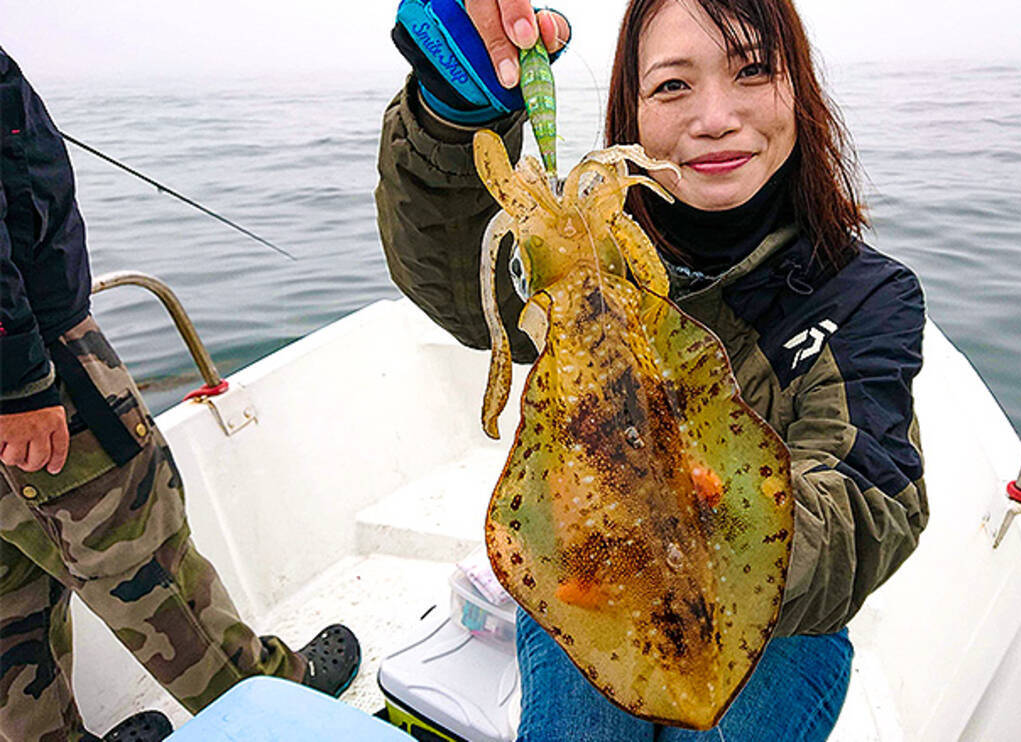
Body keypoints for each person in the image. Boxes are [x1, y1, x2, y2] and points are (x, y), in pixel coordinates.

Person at [376, 0, 927, 739]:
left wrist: (704, 518)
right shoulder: (597, 256)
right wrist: (450, 118)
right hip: (591, 587)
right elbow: (463, 287)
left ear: (798, 88)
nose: (715, 117)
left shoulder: (864, 295)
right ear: (629, 113)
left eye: (753, 71)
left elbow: (872, 503)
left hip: (778, 626)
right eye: (672, 86)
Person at [0, 48, 360, 742]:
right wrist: (17, 378)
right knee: (148, 570)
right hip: (37, 371)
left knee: (9, 614)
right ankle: (287, 709)